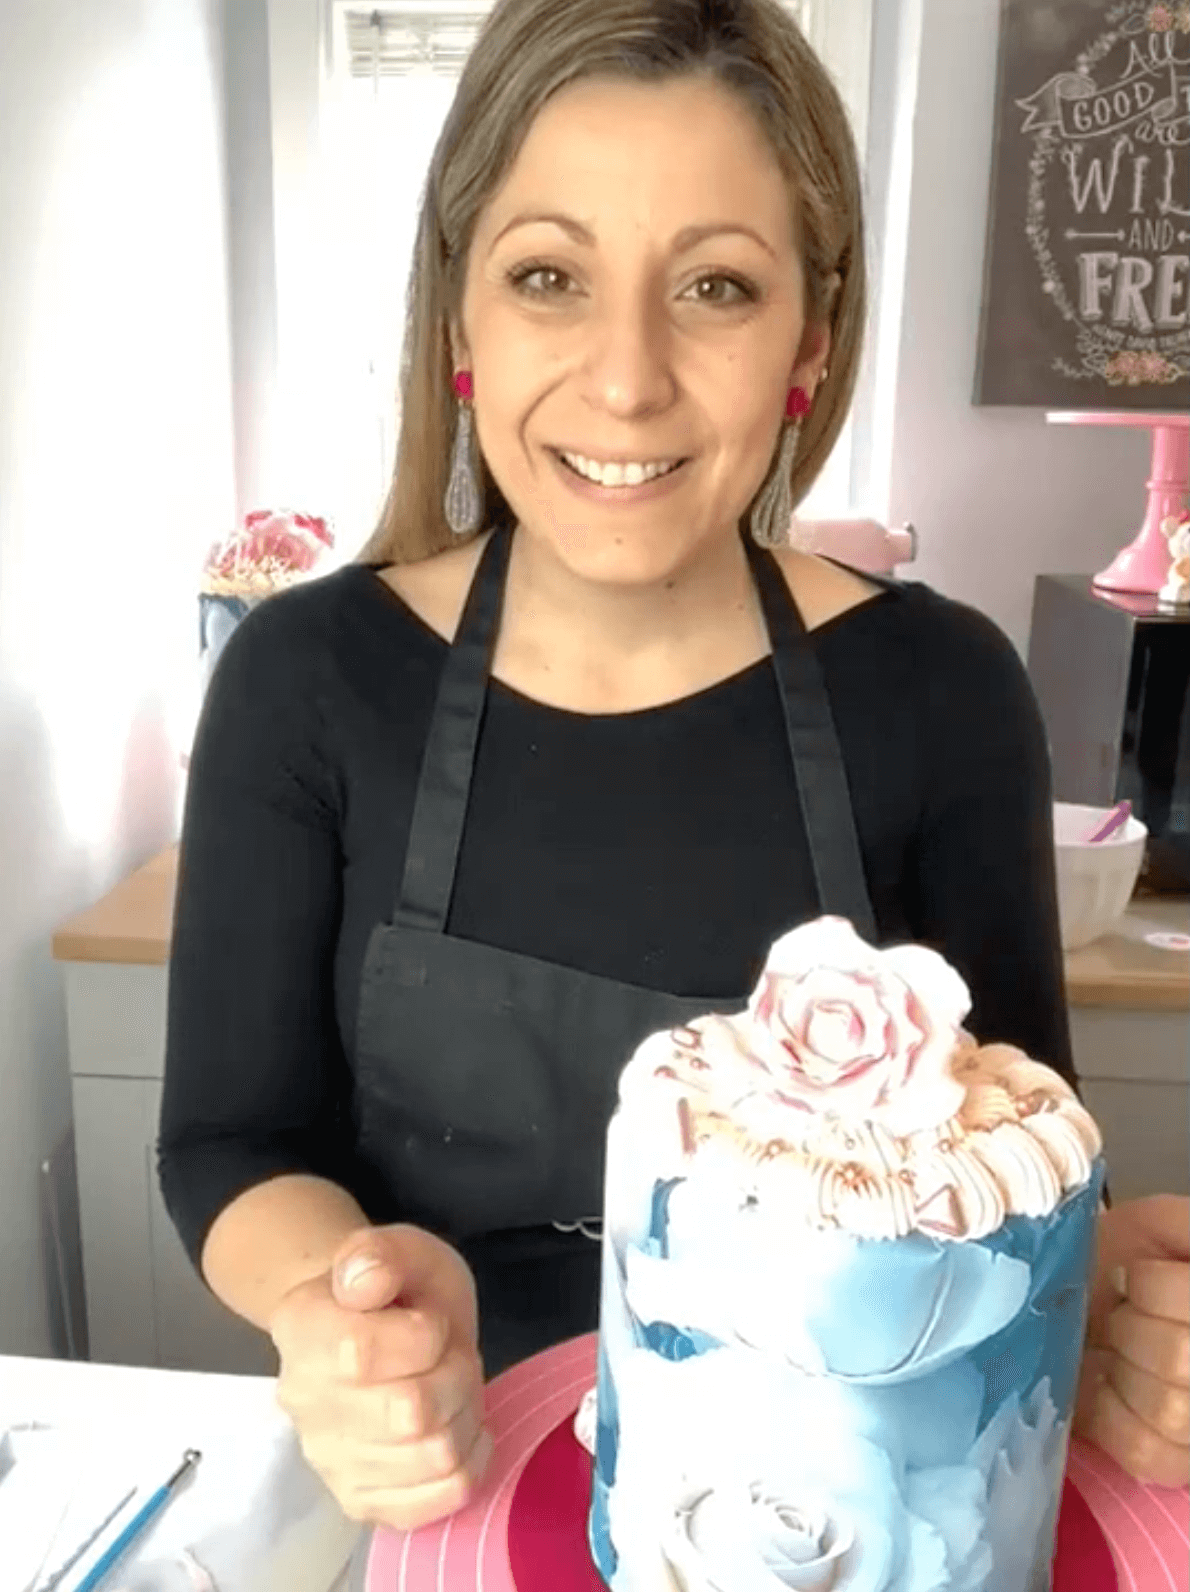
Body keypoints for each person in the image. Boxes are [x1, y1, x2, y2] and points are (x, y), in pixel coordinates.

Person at [159, 0, 1189, 1536]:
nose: (625, 380)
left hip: (853, 1517)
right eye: (548, 277)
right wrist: (344, 1302)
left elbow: (1020, 1162)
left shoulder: (943, 693)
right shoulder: (306, 680)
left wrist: (1126, 1315)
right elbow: (230, 1141)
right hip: (451, 1499)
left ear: (808, 342)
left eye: (714, 286)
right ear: (459, 320)